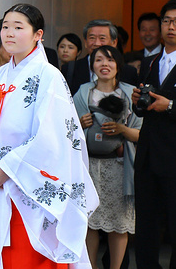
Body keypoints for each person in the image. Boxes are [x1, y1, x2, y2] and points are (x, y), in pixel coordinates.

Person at [0, 3, 98, 269]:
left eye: (19, 27)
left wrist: (7, 169)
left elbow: (52, 137)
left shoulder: (50, 77)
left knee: (27, 258)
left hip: (28, 187)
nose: (9, 33)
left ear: (38, 35)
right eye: (6, 27)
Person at [73, 46, 140, 269]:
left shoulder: (131, 94)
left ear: (118, 65)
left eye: (110, 60)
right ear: (92, 66)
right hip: (89, 166)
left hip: (120, 167)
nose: (104, 64)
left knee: (119, 224)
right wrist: (79, 125)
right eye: (99, 60)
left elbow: (142, 134)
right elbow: (67, 129)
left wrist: (122, 130)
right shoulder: (82, 93)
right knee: (89, 224)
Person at [132, 0, 176, 269]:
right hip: (148, 157)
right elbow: (145, 110)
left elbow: (168, 104)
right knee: (146, 228)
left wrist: (171, 105)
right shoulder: (150, 62)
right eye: (166, 21)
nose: (170, 26)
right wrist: (137, 102)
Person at [62, 20, 138, 96]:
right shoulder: (70, 69)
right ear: (85, 42)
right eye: (92, 38)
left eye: (102, 38)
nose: (97, 43)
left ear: (114, 42)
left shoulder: (129, 72)